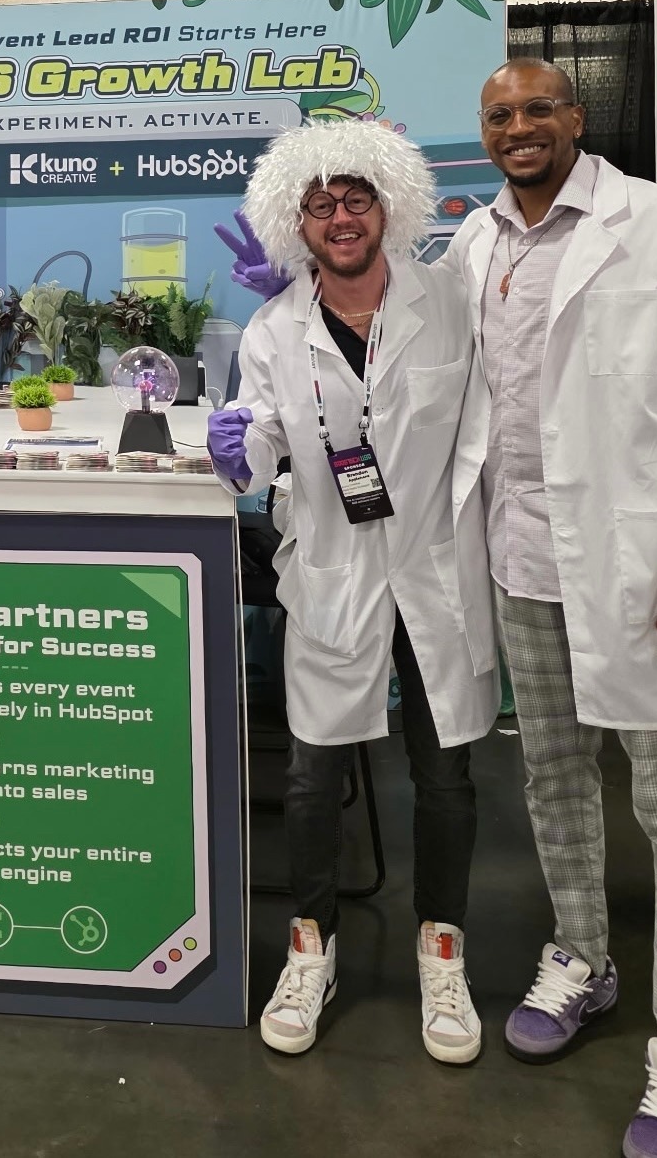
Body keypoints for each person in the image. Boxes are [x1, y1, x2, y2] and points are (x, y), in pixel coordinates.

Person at [447, 58, 657, 1158]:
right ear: (482, 134)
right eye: (499, 114)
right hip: (523, 562)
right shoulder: (474, 247)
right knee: (551, 777)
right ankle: (581, 952)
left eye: (539, 108)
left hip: (650, 576)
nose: (519, 127)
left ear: (577, 118)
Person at [207, 122, 497, 1062]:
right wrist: (232, 447)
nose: (341, 217)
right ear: (299, 223)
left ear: (389, 207)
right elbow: (257, 439)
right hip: (335, 573)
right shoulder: (272, 329)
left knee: (445, 772)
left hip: (438, 571)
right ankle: (311, 947)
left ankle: (441, 949)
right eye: (321, 204)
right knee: (311, 772)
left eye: (357, 198)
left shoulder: (450, 302)